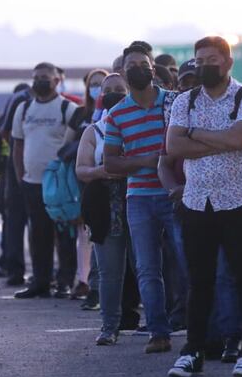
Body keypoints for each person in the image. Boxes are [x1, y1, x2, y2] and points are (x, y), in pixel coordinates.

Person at [164, 36, 242, 377]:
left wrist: (196, 135)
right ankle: (193, 350)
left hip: (236, 200)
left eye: (212, 59)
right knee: (199, 280)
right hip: (196, 201)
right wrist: (217, 138)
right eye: (200, 60)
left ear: (228, 62)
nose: (205, 65)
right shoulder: (185, 100)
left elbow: (241, 140)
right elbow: (174, 146)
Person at [103, 45, 184, 354]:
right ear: (123, 72)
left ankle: (203, 329)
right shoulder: (117, 114)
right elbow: (110, 163)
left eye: (143, 63)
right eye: (131, 65)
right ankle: (158, 332)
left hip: (175, 193)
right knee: (148, 270)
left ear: (153, 69)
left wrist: (151, 161)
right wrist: (148, 161)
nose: (138, 69)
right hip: (139, 198)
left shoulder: (174, 104)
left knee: (188, 261)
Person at [76, 73, 141, 344]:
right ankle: (109, 326)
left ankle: (157, 325)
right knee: (109, 272)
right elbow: (81, 169)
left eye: (120, 89)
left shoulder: (141, 124)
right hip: (107, 206)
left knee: (146, 268)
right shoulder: (94, 131)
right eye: (109, 90)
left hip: (140, 199)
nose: (114, 94)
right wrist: (102, 171)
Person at [11, 62, 84, 299]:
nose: (40, 80)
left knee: (64, 234)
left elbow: (78, 142)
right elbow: (18, 145)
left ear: (56, 81)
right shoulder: (23, 109)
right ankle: (40, 281)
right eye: (36, 77)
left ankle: (64, 281)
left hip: (60, 184)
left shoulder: (68, 109)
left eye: (45, 77)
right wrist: (20, 174)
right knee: (38, 234)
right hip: (32, 183)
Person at [71, 69, 108, 301]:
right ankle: (85, 281)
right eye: (92, 84)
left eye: (101, 84)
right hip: (86, 180)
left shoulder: (118, 114)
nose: (96, 88)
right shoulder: (80, 114)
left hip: (113, 183)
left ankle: (102, 283)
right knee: (85, 234)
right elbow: (65, 144)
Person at [0, 82, 29, 281]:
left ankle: (24, 270)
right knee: (12, 223)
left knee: (22, 224)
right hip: (11, 175)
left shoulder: (53, 109)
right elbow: (0, 137)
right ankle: (11, 266)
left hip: (30, 175)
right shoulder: (15, 109)